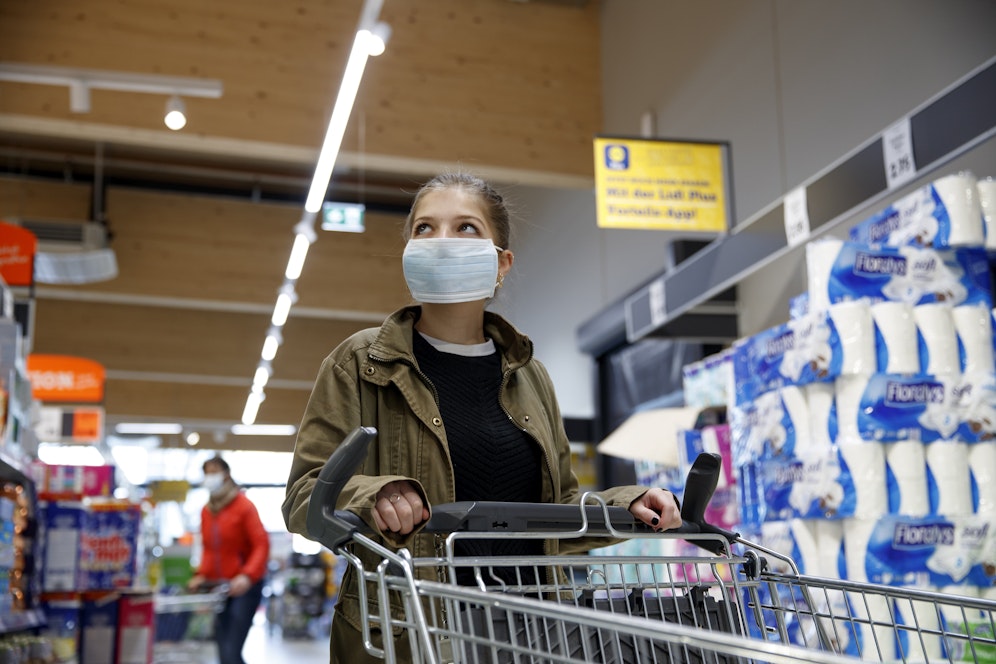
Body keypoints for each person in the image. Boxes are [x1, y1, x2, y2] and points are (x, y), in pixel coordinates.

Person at [282, 172, 682, 664]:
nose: (441, 241)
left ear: (502, 263)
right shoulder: (359, 363)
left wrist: (630, 502)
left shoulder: (529, 375)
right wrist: (374, 494)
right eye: (424, 228)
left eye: (465, 227)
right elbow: (304, 496)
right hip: (411, 635)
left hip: (532, 635)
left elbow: (560, 507)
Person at [188, 456, 270, 664]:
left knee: (231, 651)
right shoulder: (207, 511)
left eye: (214, 471)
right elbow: (209, 550)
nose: (210, 476)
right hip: (220, 588)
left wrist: (247, 575)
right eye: (207, 472)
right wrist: (200, 575)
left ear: (226, 474)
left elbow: (261, 544)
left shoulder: (244, 506)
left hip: (245, 587)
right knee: (224, 652)